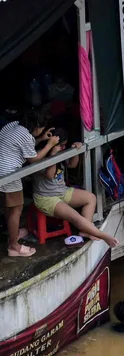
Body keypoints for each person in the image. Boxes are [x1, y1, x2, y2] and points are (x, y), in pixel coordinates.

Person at [33, 136, 118, 248]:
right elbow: (50, 175)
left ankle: (86, 231)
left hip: (62, 191)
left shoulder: (60, 151)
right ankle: (102, 235)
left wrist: (75, 151)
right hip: (46, 198)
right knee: (75, 217)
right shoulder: (41, 154)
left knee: (90, 198)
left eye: (64, 145)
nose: (63, 147)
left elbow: (72, 165)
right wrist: (53, 154)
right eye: (61, 145)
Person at [1, 110, 59, 258]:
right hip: (9, 173)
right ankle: (14, 246)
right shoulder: (26, 136)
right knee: (16, 208)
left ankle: (13, 233)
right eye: (42, 128)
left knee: (8, 206)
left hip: (1, 169)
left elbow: (22, 146)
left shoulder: (12, 126)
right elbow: (33, 159)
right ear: (37, 126)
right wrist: (49, 145)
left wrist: (40, 139)